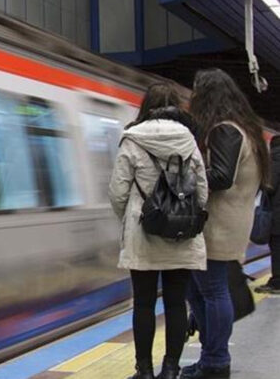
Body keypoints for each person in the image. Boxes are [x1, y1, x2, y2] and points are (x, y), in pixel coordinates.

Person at [109, 83, 208, 379]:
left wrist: (131, 219)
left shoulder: (132, 140)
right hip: (181, 236)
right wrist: (187, 217)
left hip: (143, 234)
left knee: (143, 304)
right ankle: (171, 369)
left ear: (146, 107)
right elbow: (202, 191)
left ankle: (145, 371)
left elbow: (117, 192)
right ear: (176, 107)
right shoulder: (189, 141)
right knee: (176, 303)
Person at [182, 69, 270, 379]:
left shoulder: (225, 130)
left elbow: (220, 176)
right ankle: (211, 357)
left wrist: (183, 180)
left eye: (196, 93)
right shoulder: (245, 129)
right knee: (198, 290)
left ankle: (216, 361)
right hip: (228, 222)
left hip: (218, 225)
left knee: (212, 291)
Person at [255, 135, 280, 294]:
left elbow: (270, 185)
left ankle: (277, 282)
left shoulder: (275, 159)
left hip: (277, 213)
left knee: (277, 247)